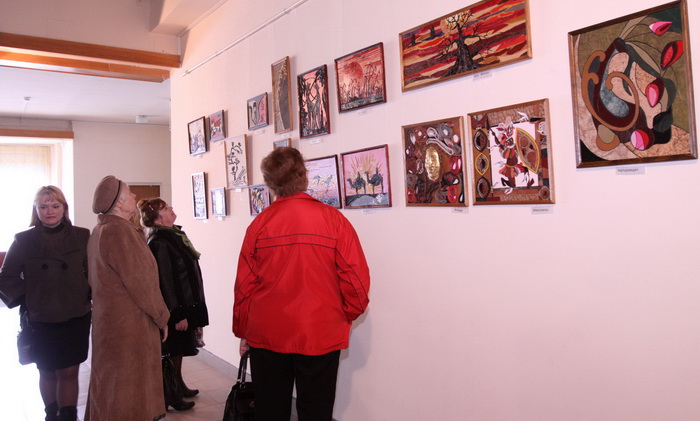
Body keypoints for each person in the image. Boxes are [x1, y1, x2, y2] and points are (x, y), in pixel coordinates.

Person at [233, 147, 371, 421]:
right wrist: (344, 315)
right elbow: (355, 279)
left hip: (268, 332)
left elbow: (245, 284)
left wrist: (243, 328)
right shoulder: (333, 220)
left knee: (270, 410)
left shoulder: (259, 225)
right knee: (316, 410)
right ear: (304, 176)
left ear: (270, 183)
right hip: (319, 331)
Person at [0, 186, 91, 421]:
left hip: (75, 313)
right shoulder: (23, 240)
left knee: (69, 370)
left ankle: (68, 417)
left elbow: (93, 273)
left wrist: (87, 294)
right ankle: (51, 415)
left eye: (55, 206)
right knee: (47, 370)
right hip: (40, 316)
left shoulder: (82, 236)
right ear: (36, 210)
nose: (49, 211)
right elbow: (6, 277)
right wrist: (28, 298)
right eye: (43, 206)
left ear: (64, 208)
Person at [85, 175, 170, 421]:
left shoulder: (100, 230)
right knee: (128, 392)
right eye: (130, 193)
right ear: (120, 203)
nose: (134, 196)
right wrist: (162, 317)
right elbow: (142, 284)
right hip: (130, 326)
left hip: (109, 323)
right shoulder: (120, 232)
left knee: (110, 385)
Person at [137, 198, 210, 411]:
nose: (171, 209)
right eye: (165, 208)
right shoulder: (160, 242)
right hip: (176, 307)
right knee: (173, 350)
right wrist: (177, 314)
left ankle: (178, 384)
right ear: (157, 220)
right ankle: (171, 394)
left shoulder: (174, 236)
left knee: (179, 349)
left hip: (185, 302)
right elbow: (166, 281)